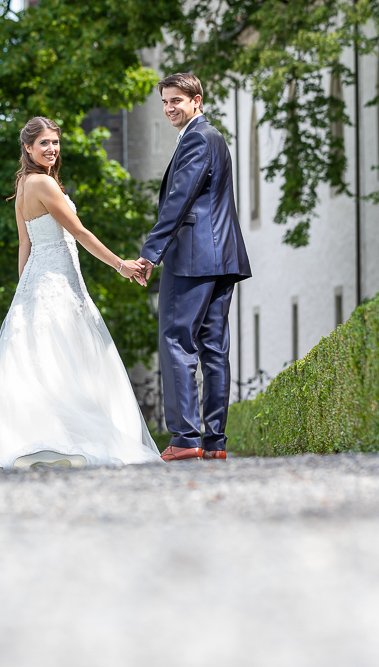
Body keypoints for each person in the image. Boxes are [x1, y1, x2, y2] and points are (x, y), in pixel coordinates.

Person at [0, 116, 162, 469]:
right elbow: (80, 234)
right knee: (65, 358)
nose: (52, 149)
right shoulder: (42, 184)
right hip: (55, 283)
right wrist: (121, 265)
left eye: (55, 143)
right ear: (27, 147)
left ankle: (47, 435)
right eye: (44, 143)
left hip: (42, 282)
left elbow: (24, 246)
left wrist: (22, 290)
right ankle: (64, 437)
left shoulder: (23, 185)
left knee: (45, 359)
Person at [136, 73, 252, 462]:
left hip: (193, 258)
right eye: (165, 102)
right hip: (222, 259)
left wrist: (151, 253)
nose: (169, 108)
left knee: (176, 340)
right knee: (214, 349)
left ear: (197, 101)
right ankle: (215, 443)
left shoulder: (199, 138)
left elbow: (179, 201)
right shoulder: (212, 138)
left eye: (176, 101)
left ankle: (185, 437)